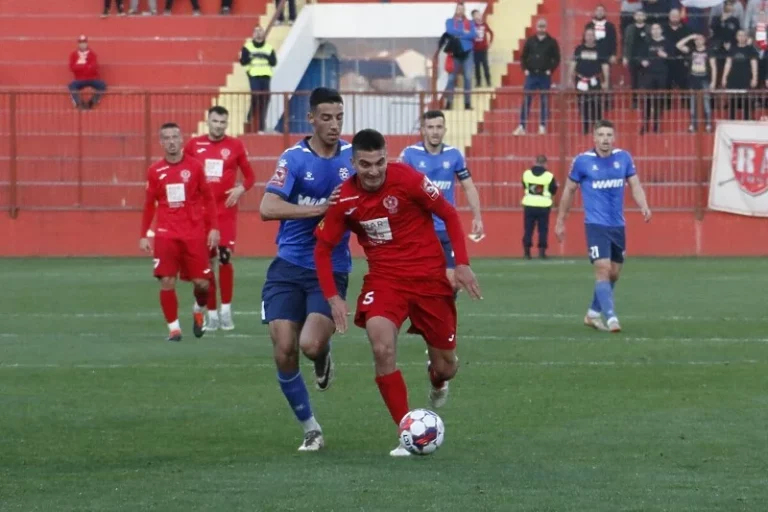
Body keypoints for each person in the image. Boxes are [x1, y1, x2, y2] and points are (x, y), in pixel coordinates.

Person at [313, 129, 482, 457]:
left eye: (379, 163)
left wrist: (460, 264)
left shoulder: (407, 178)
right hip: (385, 280)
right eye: (365, 164)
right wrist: (333, 297)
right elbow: (322, 248)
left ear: (387, 157)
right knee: (381, 346)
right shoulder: (345, 198)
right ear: (354, 163)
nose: (374, 171)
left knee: (446, 366)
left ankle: (437, 379)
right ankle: (406, 429)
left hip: (430, 280)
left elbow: (448, 213)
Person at [259, 87, 354, 452]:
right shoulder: (294, 159)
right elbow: (267, 207)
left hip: (331, 267)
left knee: (310, 344)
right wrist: (318, 210)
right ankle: (311, 427)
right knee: (285, 348)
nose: (333, 125)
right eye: (326, 118)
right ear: (311, 119)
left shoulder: (352, 156)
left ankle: (323, 355)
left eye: (339, 117)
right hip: (289, 265)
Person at [555, 120, 651, 333]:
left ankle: (592, 314)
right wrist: (561, 220)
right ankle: (611, 318)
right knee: (603, 269)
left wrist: (643, 205)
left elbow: (634, 185)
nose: (605, 139)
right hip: (595, 225)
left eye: (609, 135)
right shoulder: (582, 161)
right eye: (601, 135)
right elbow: (569, 190)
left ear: (614, 138)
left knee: (614, 273)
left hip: (618, 226)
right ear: (594, 138)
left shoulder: (624, 158)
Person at [139, 123, 220, 342]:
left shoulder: (194, 167)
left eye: (175, 136)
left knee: (203, 283)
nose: (172, 141)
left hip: (194, 233)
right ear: (161, 142)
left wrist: (213, 227)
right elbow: (149, 204)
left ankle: (198, 309)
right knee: (167, 280)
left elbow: (209, 198)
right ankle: (174, 329)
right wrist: (145, 233)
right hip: (166, 233)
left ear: (181, 139)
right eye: (167, 138)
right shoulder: (155, 171)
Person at [184, 106, 255, 331]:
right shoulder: (194, 145)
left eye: (222, 122)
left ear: (227, 123)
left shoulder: (235, 145)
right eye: (215, 121)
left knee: (224, 257)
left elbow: (251, 176)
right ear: (208, 121)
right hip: (201, 214)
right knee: (207, 264)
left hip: (225, 212)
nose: (218, 126)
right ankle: (212, 314)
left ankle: (226, 311)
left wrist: (240, 190)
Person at [398, 110, 483, 293]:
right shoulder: (410, 155)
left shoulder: (455, 156)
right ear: (423, 130)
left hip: (446, 228)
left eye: (438, 127)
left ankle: (445, 320)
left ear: (445, 129)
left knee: (452, 283)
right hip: (420, 230)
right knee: (420, 282)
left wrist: (478, 217)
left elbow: (469, 187)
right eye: (430, 127)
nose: (435, 131)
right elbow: (397, 188)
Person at [514, 18, 561, 136]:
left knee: (544, 101)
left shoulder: (552, 42)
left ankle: (542, 126)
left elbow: (557, 58)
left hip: (544, 76)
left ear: (546, 27)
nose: (541, 28)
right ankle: (522, 126)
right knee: (526, 100)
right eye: (539, 26)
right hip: (531, 75)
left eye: (543, 26)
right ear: (536, 27)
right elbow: (523, 56)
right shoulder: (530, 41)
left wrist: (551, 70)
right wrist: (525, 69)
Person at [570, 28, 610, 135]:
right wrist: (570, 79)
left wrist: (606, 81)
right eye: (588, 35)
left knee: (596, 106)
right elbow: (573, 65)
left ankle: (597, 130)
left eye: (592, 35)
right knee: (583, 106)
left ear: (595, 37)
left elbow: (605, 66)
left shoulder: (600, 50)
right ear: (584, 36)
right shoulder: (579, 49)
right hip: (581, 81)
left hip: (595, 81)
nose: (590, 37)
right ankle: (585, 129)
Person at [240, 26, 277, 133]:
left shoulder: (269, 48)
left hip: (265, 76)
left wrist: (264, 57)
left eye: (260, 31)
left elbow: (273, 62)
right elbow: (243, 61)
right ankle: (250, 115)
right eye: (256, 31)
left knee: (265, 100)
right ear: (253, 34)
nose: (258, 33)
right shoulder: (247, 47)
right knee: (256, 96)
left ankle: (261, 125)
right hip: (254, 75)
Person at [521, 155, 557, 260]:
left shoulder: (526, 174)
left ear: (535, 162)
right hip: (543, 206)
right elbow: (553, 190)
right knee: (543, 230)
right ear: (545, 163)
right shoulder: (549, 176)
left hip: (529, 205)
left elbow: (524, 186)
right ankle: (542, 252)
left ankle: (527, 252)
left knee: (528, 229)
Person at [443, 2, 477, 110]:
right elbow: (450, 31)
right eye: (459, 8)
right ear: (456, 9)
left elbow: (473, 34)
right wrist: (464, 32)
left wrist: (459, 34)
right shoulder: (449, 21)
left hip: (468, 53)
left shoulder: (470, 22)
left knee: (468, 77)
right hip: (455, 53)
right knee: (451, 78)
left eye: (462, 9)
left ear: (464, 10)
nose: (460, 11)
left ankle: (467, 103)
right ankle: (449, 102)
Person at [68, 35, 107, 110]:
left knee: (102, 85)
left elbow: (94, 67)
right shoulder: (73, 55)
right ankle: (79, 103)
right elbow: (72, 68)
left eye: (84, 42)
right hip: (79, 80)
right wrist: (86, 66)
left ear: (87, 43)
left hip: (91, 79)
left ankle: (92, 102)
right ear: (78, 44)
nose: (83, 44)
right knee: (72, 86)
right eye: (81, 42)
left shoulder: (92, 55)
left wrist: (80, 66)